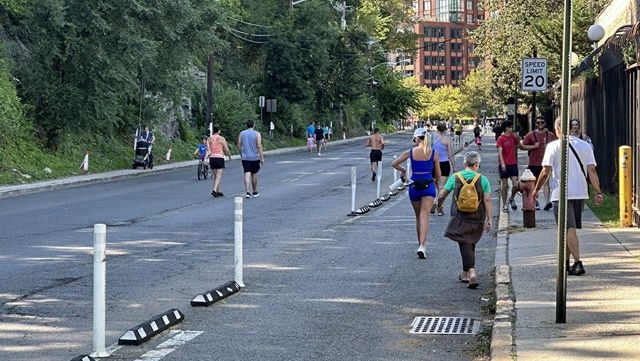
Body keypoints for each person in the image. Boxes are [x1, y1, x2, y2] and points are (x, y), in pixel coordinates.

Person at [534, 117, 604, 276]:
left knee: (568, 228)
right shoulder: (585, 145)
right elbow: (592, 171)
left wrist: (536, 190)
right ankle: (565, 263)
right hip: (580, 192)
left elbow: (545, 172)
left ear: (558, 129)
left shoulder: (553, 146)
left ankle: (578, 262)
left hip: (561, 193)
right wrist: (598, 192)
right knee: (568, 229)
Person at [436, 151, 492, 289]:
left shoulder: (455, 177)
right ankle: (465, 273)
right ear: (477, 164)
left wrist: (439, 205)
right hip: (477, 217)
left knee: (465, 243)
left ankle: (471, 272)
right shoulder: (483, 179)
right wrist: (489, 219)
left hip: (459, 217)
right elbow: (488, 199)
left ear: (464, 163)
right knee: (469, 242)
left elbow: (443, 193)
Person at [391, 128, 441, 259]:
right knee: (425, 217)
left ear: (417, 138)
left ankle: (419, 243)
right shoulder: (434, 153)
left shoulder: (411, 152)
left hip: (414, 187)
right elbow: (439, 174)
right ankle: (422, 246)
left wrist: (403, 170)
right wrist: (436, 184)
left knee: (418, 217)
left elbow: (394, 163)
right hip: (428, 187)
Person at [521, 116, 557, 210]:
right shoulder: (531, 135)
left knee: (546, 182)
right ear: (536, 124)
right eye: (538, 122)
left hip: (547, 162)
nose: (540, 124)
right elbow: (522, 146)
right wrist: (533, 146)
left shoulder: (550, 135)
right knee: (534, 183)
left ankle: (547, 201)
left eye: (542, 122)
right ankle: (535, 201)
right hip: (534, 162)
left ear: (545, 123)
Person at [496, 120, 523, 212]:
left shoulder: (513, 137)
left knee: (515, 185)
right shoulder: (501, 138)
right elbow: (500, 152)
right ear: (506, 128)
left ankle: (511, 198)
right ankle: (504, 204)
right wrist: (502, 164)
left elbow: (519, 146)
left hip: (513, 163)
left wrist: (518, 138)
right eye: (511, 127)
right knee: (505, 185)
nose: (512, 128)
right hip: (504, 164)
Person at [432, 121, 455, 216]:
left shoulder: (432, 138)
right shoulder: (447, 140)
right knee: (442, 187)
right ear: (445, 128)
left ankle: (434, 201)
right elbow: (451, 155)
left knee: (434, 186)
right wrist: (454, 167)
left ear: (437, 128)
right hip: (444, 164)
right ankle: (439, 207)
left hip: (433, 164)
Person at [238, 120, 265, 198]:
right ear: (254, 125)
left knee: (247, 173)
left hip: (245, 157)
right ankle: (254, 191)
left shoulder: (242, 133)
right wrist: (261, 157)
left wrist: (241, 153)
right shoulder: (257, 134)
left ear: (246, 125)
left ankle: (247, 192)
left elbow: (239, 145)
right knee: (254, 174)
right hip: (254, 157)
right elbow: (259, 146)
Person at [207, 126, 232, 197]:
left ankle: (218, 191)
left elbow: (209, 151)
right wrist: (229, 156)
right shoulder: (221, 138)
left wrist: (206, 158)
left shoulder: (209, 139)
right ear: (219, 131)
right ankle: (214, 190)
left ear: (213, 131)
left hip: (212, 158)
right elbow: (226, 149)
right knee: (218, 176)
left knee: (216, 176)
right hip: (219, 158)